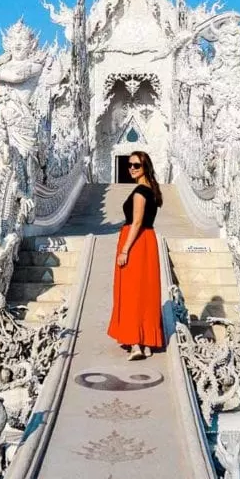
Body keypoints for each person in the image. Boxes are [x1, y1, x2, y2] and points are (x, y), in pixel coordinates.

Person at [106, 151, 165, 360]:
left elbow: (137, 222)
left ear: (145, 167)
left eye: (136, 165)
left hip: (136, 243)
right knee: (146, 292)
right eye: (129, 165)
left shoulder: (140, 191)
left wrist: (124, 250)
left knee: (131, 293)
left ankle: (136, 344)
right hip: (148, 242)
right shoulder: (153, 190)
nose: (131, 168)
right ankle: (147, 340)